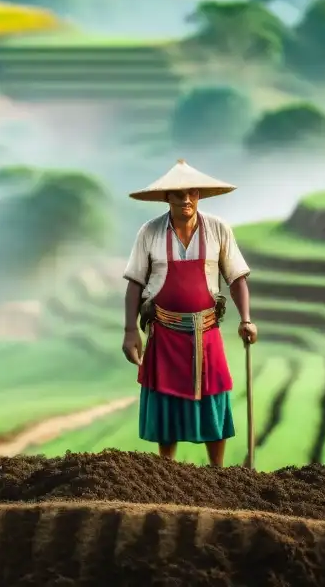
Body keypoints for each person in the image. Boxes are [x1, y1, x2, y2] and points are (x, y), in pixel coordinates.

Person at [121, 159, 258, 467]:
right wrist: (130, 331)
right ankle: (167, 471)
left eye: (192, 193)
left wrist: (246, 319)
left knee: (213, 397)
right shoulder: (150, 232)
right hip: (164, 331)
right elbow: (134, 284)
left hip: (206, 330)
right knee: (166, 401)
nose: (186, 200)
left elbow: (237, 279)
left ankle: (217, 470)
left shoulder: (218, 230)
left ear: (199, 195)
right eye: (179, 194)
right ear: (166, 197)